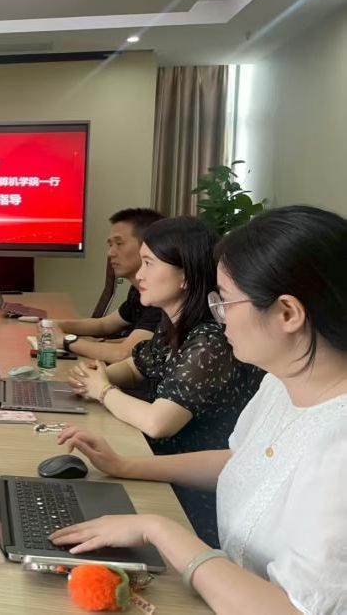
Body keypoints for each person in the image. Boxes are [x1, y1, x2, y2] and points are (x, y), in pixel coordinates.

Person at [52, 206, 347, 614]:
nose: (219, 317)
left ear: (287, 313)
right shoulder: (281, 383)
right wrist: (126, 466)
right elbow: (242, 461)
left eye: (226, 301)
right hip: (220, 587)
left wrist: (157, 529)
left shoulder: (339, 447)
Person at [66, 217, 262, 546]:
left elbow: (158, 423)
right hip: (159, 467)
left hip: (191, 496)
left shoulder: (210, 339)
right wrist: (96, 377)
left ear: (185, 275)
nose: (139, 275)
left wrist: (103, 390)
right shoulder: (174, 323)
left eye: (149, 263)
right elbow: (137, 367)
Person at [53, 208, 165, 364]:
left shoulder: (162, 297)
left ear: (149, 247)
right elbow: (104, 325)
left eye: (119, 243)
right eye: (110, 245)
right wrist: (53, 324)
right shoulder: (138, 289)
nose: (110, 253)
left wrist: (66, 341)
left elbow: (123, 354)